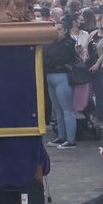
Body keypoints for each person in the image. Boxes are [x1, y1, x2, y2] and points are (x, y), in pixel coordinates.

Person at [43, 17, 81, 147]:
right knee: (58, 110)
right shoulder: (52, 42)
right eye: (55, 29)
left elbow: (61, 59)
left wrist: (50, 62)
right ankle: (61, 136)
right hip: (52, 76)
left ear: (65, 31)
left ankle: (70, 140)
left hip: (62, 77)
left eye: (59, 29)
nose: (56, 31)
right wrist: (51, 62)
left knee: (67, 109)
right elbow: (46, 58)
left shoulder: (68, 43)